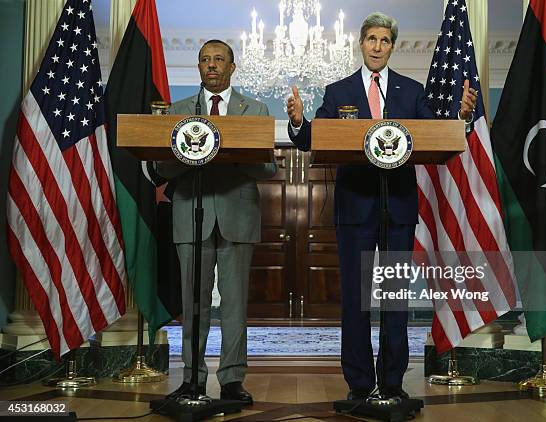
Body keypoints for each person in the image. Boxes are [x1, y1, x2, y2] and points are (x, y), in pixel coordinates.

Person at [286, 12, 477, 400]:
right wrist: (298, 122)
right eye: (371, 38)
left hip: (399, 209)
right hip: (355, 210)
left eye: (384, 40)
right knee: (356, 303)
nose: (377, 46)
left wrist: (460, 117)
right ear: (361, 43)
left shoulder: (409, 91)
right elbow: (314, 138)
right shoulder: (338, 92)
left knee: (394, 302)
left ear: (393, 46)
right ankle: (359, 384)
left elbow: (433, 134)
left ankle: (391, 383)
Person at [155, 40, 277, 405]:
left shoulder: (255, 110)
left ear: (231, 67)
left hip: (237, 215)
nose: (212, 65)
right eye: (205, 60)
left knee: (235, 305)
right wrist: (195, 153)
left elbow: (268, 167)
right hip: (190, 213)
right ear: (198, 67)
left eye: (218, 59)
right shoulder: (176, 112)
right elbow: (161, 168)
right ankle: (192, 378)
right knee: (194, 304)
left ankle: (232, 380)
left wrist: (230, 154)